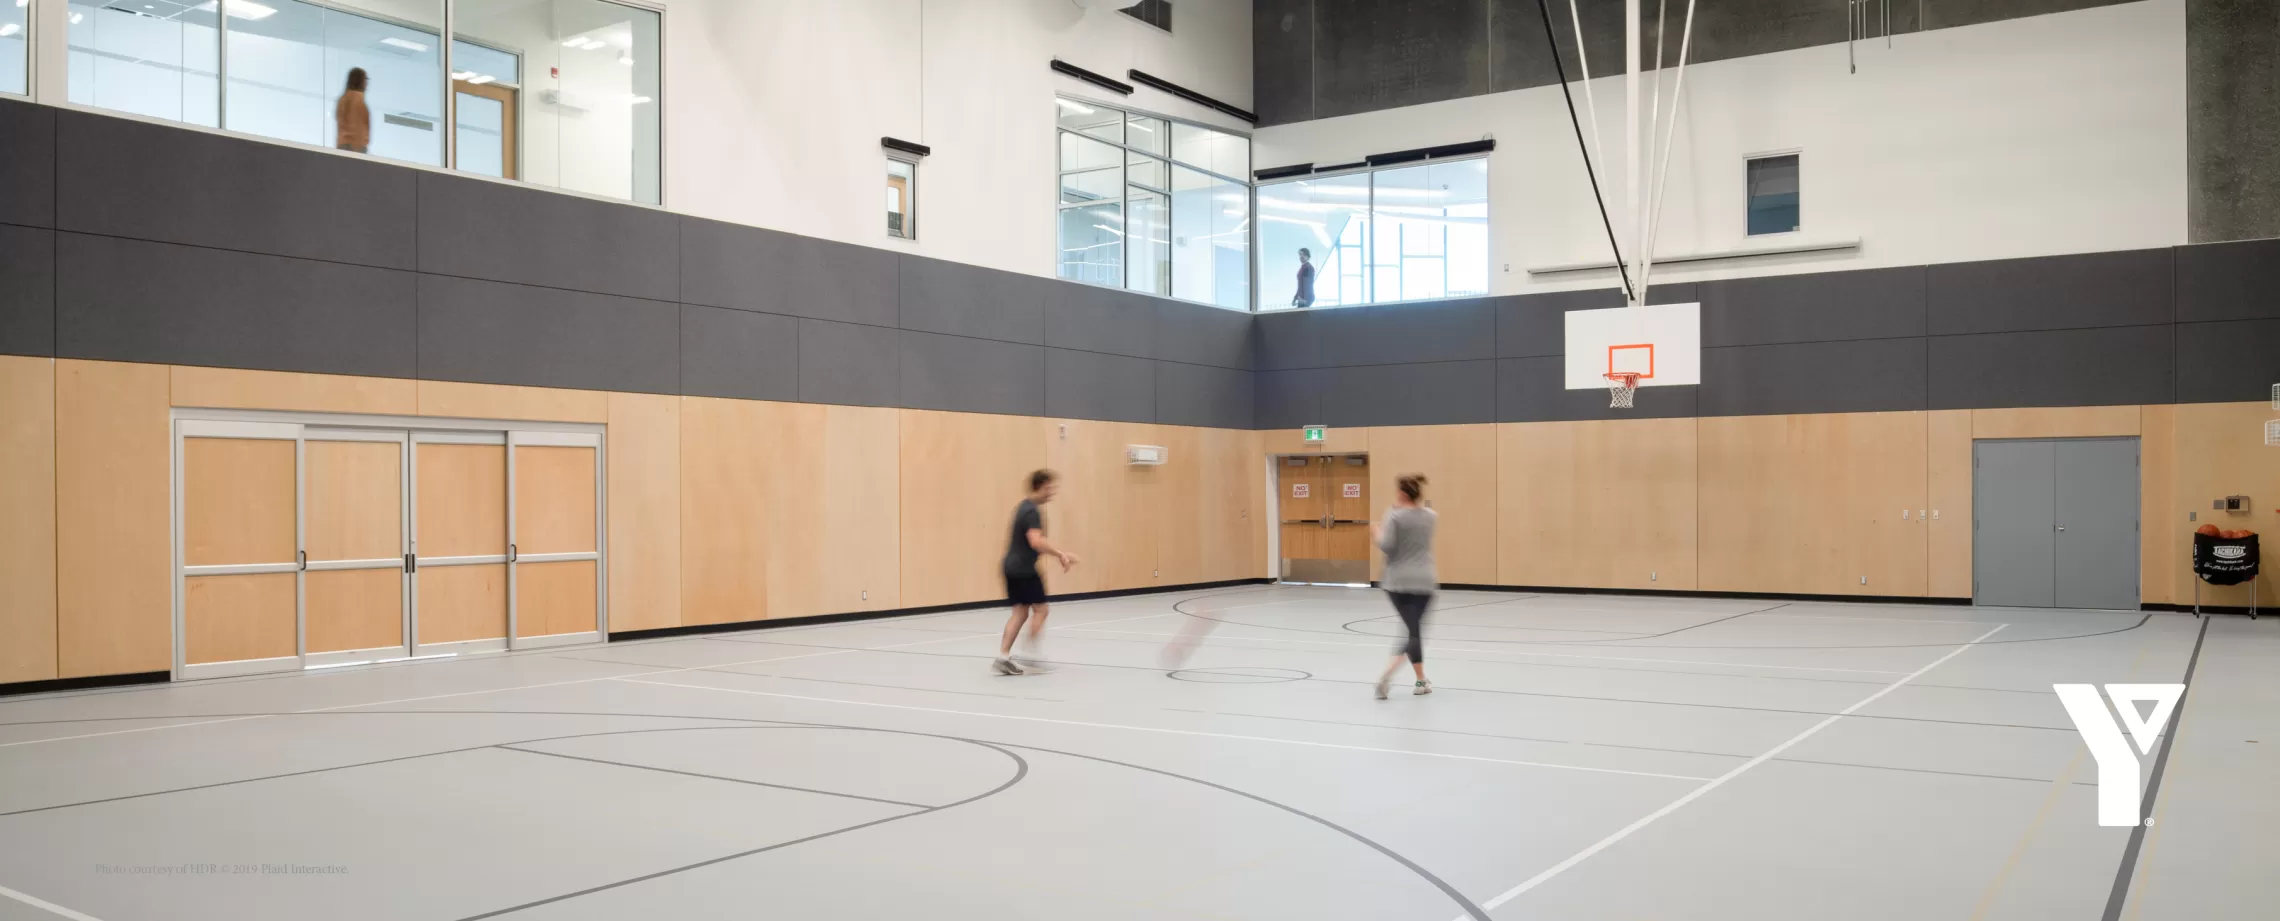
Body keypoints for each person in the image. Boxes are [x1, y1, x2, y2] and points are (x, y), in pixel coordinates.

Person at [994, 469, 1079, 676]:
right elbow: (1036, 541)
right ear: (1039, 486)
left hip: (1010, 567)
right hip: (1023, 569)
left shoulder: (1022, 507)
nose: (1052, 492)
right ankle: (1030, 654)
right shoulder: (1031, 511)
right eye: (1049, 488)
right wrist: (1060, 554)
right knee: (1041, 610)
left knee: (1021, 612)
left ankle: (1003, 657)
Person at [1374, 474, 1438, 698]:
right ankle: (1420, 680)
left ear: (1401, 493)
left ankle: (1392, 675)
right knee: (1413, 632)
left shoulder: (1394, 517)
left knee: (1412, 632)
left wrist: (1376, 532)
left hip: (1397, 582)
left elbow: (1388, 546)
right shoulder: (1431, 516)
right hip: (1424, 581)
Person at [335, 68, 371, 154]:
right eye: (365, 79)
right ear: (360, 80)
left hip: (343, 145)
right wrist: (358, 151)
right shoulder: (356, 99)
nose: (367, 83)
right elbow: (357, 127)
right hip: (354, 147)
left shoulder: (343, 99)